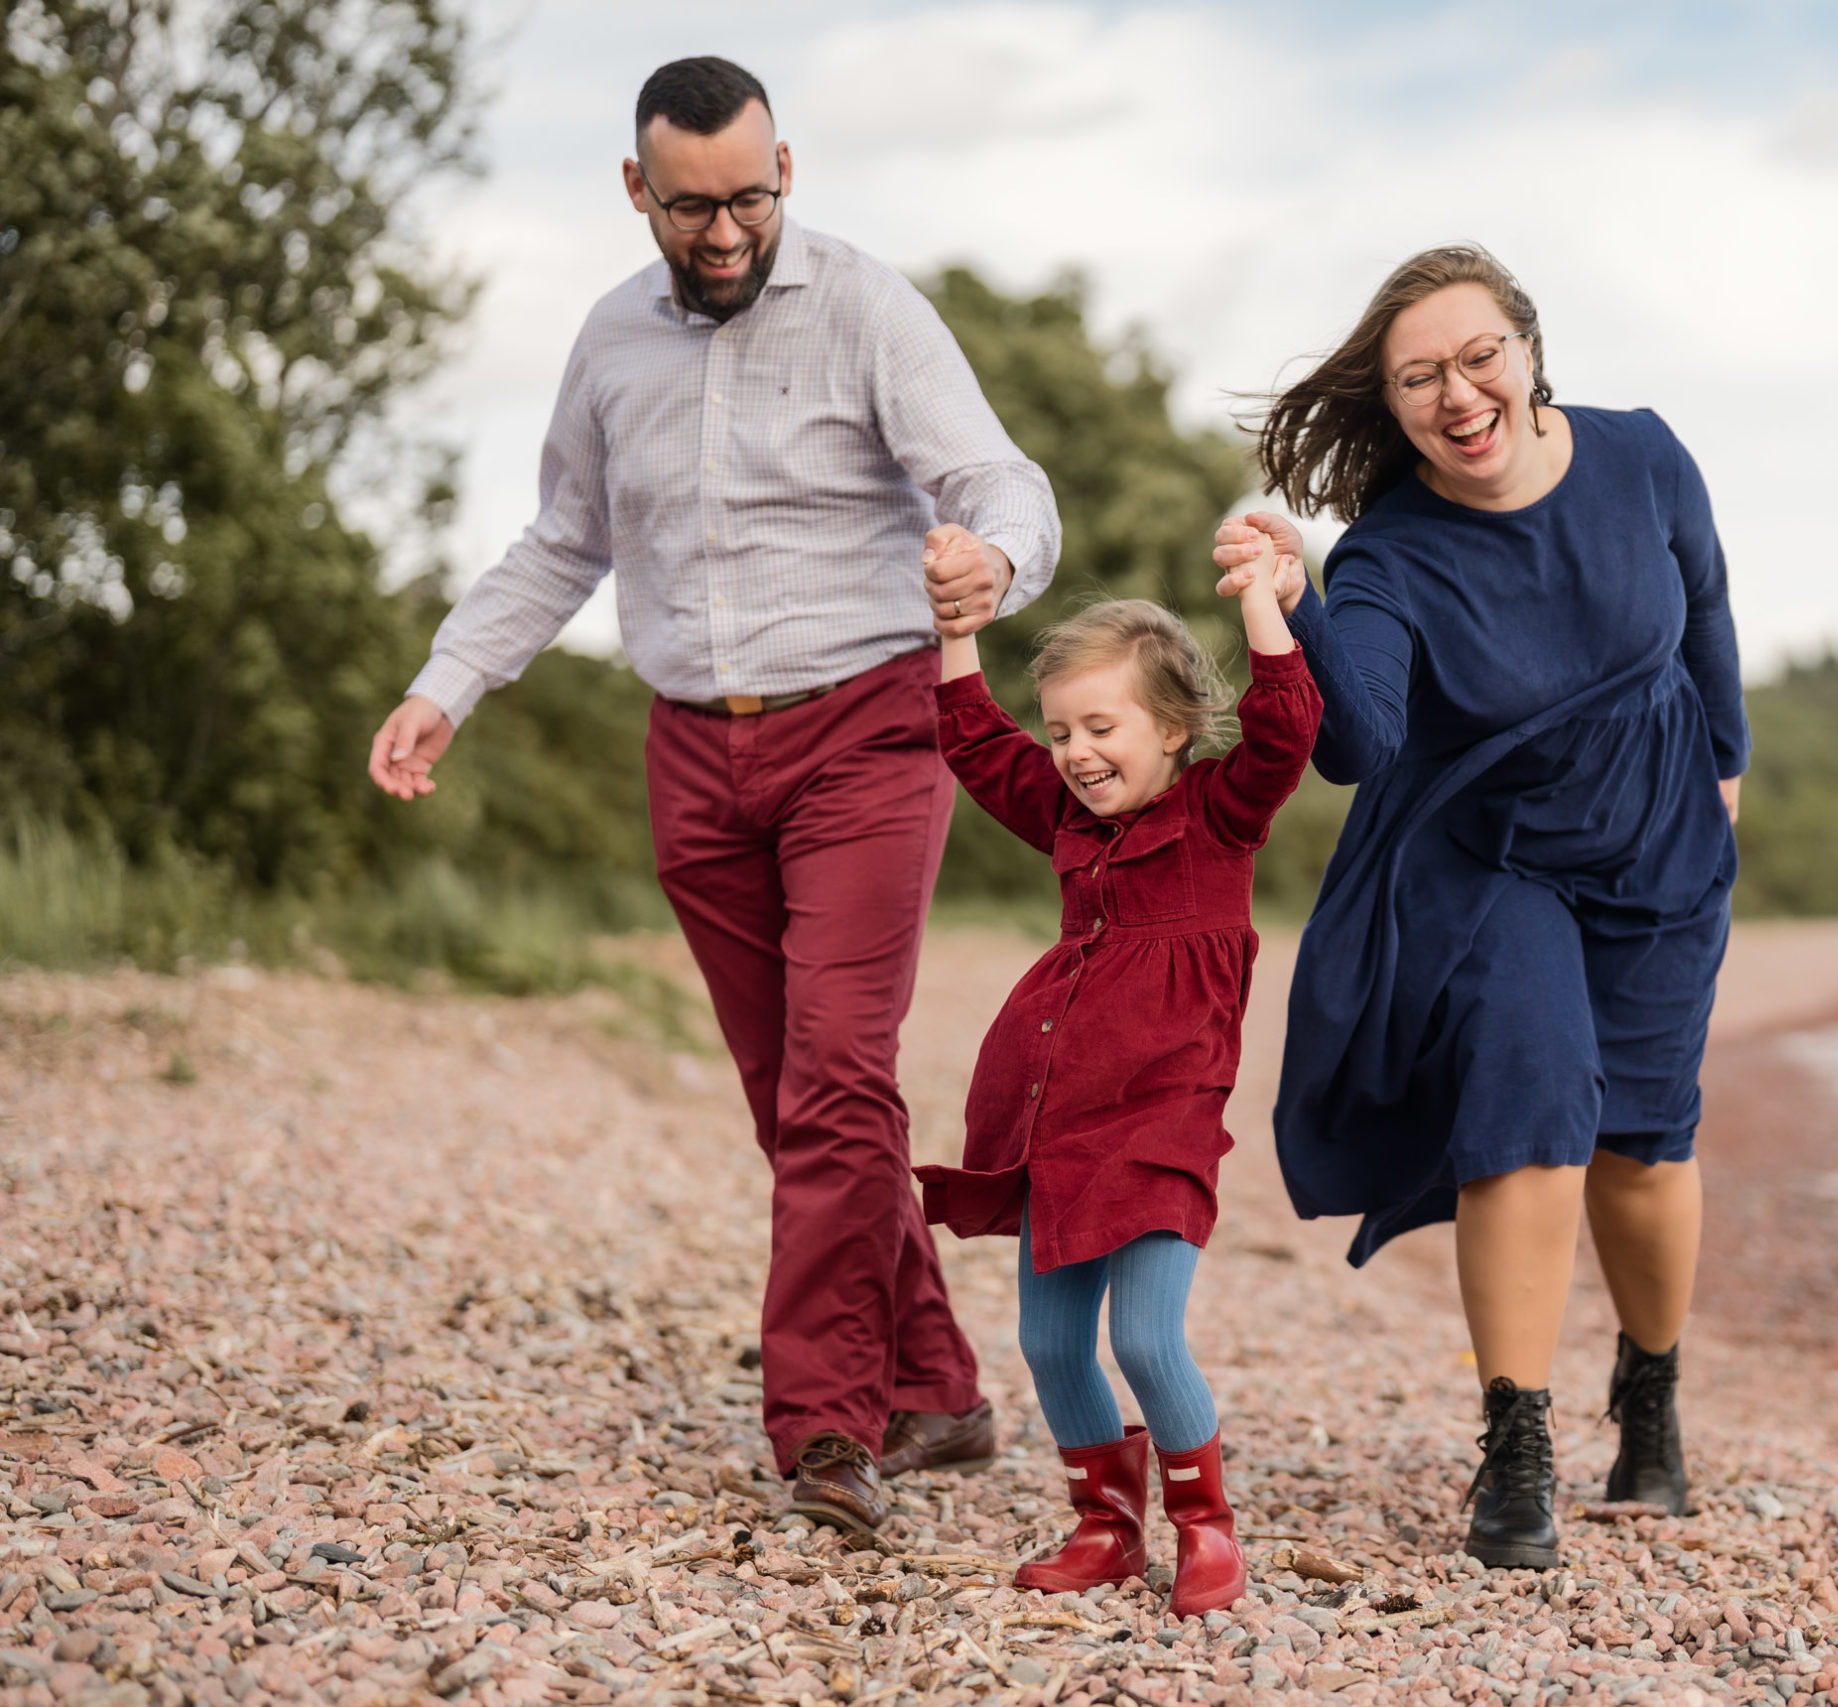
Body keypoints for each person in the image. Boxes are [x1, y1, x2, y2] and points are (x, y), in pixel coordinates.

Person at [363, 57, 1063, 1541]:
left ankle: (825, 1424)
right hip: (692, 748)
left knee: (831, 1080)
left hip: (869, 734)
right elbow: (563, 543)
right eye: (693, 206)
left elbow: (1005, 484)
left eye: (751, 196)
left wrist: (993, 565)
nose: (727, 230)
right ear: (639, 191)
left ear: (786, 169)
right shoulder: (611, 341)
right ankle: (939, 1380)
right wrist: (447, 682)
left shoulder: (870, 309)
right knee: (798, 1098)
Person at [1212, 244, 1749, 1569]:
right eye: (1419, 378)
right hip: (1492, 854)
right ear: (1392, 410)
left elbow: (1708, 608)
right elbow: (1360, 744)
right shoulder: (1394, 554)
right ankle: (1517, 1441)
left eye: (1475, 357)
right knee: (1529, 1084)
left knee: (1645, 1139)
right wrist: (1298, 606)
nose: (1457, 393)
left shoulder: (1644, 455)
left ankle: (1653, 1393)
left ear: (1525, 351)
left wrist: (1728, 761)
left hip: (1662, 838)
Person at [914, 530, 1317, 1618]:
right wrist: (957, 637)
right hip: (1053, 1111)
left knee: (1142, 1334)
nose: (1076, 752)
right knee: (1048, 1341)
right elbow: (976, 747)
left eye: (1102, 727)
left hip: (1161, 1120)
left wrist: (1261, 610)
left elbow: (1285, 731)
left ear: (1174, 730)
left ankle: (1206, 1528)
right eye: (1063, 733)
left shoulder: (1216, 817)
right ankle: (1105, 1525)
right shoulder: (1061, 816)